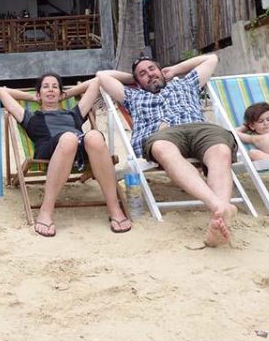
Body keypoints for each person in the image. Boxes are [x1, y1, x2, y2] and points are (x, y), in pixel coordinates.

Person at [98, 54, 237, 247]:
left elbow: (212, 59)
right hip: (163, 135)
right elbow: (102, 75)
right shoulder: (134, 96)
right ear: (137, 81)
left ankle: (219, 219)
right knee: (163, 149)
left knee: (221, 150)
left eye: (152, 69)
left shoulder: (186, 84)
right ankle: (219, 207)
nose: (149, 74)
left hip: (199, 128)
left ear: (161, 70)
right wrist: (133, 78)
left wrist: (175, 70)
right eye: (143, 74)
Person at [0, 73, 131, 237]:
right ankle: (46, 211)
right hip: (49, 149)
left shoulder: (74, 113)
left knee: (94, 136)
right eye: (45, 87)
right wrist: (33, 98)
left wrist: (67, 94)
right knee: (68, 138)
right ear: (39, 93)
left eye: (55, 87)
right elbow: (0, 91)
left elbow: (96, 82)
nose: (50, 90)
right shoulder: (30, 117)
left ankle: (114, 209)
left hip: (80, 147)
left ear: (60, 93)